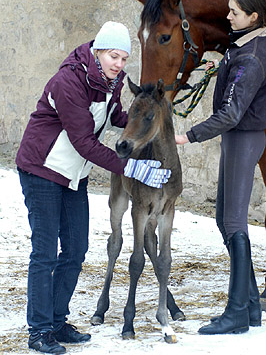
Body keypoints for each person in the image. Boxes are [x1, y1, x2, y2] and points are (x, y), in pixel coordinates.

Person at [16, 21, 171, 354]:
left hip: (73, 175)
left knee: (76, 250)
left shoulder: (108, 83)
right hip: (42, 169)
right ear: (99, 50)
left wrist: (149, 115)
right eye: (113, 55)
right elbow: (85, 141)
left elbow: (116, 117)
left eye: (123, 58)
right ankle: (40, 330)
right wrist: (133, 166)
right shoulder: (68, 82)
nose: (118, 64)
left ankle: (57, 321)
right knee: (45, 253)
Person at [175, 0, 266, 335]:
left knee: (233, 223)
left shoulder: (253, 57)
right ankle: (249, 306)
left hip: (243, 138)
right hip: (239, 139)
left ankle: (236, 314)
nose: (228, 16)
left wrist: (188, 135)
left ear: (254, 17)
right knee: (223, 220)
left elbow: (232, 113)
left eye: (235, 12)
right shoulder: (246, 45)